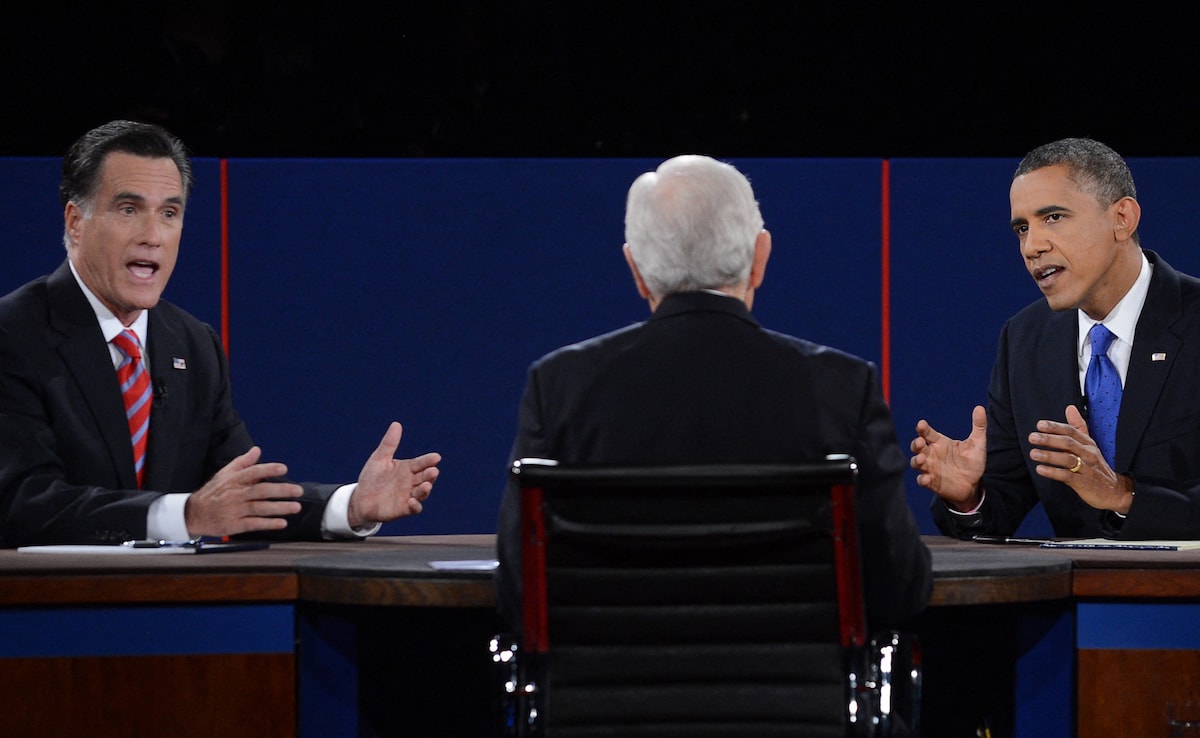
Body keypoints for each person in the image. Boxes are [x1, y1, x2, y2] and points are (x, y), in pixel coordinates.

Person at [494, 154, 933, 633]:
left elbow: (520, 588)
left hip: (613, 700)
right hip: (794, 699)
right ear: (759, 258)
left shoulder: (560, 385)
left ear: (636, 269)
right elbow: (898, 585)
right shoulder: (843, 388)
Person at [0, 119, 441, 548]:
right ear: (76, 222)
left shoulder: (191, 343)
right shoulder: (15, 334)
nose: (152, 235)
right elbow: (22, 502)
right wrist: (187, 516)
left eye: (169, 213)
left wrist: (350, 506)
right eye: (129, 209)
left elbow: (242, 497)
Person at [911, 137, 1200, 540]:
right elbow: (1001, 510)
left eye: (1054, 218)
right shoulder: (1025, 340)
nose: (1033, 246)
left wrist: (1123, 495)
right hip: (1080, 600)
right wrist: (969, 496)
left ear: (1122, 218)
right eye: (1022, 228)